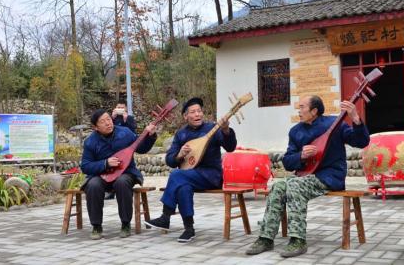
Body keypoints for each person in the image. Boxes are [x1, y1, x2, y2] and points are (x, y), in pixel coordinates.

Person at [245, 95, 370, 258]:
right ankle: (266, 238)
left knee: (295, 186)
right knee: (278, 187)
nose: (299, 111)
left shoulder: (335, 124)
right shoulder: (296, 131)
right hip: (305, 175)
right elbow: (288, 162)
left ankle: (298, 240)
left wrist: (355, 118)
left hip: (330, 176)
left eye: (302, 107)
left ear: (314, 110)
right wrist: (301, 156)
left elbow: (361, 141)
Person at [145, 97, 237, 243]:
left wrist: (226, 130)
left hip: (211, 175)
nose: (197, 115)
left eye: (199, 111)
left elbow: (230, 147)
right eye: (193, 112)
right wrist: (179, 155)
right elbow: (170, 160)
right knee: (183, 187)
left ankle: (165, 216)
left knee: (177, 175)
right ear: (185, 116)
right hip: (189, 175)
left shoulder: (212, 129)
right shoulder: (181, 134)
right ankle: (189, 229)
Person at [80, 109, 157, 240]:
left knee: (122, 182)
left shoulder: (125, 133)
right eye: (103, 122)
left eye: (109, 119)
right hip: (102, 175)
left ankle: (126, 224)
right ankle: (96, 226)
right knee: (93, 185)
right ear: (95, 127)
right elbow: (85, 166)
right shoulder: (90, 142)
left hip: (126, 172)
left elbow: (141, 149)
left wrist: (150, 136)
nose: (108, 123)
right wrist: (105, 163)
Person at [105, 100, 137, 200]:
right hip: (113, 147)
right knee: (112, 169)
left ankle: (126, 188)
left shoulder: (129, 118)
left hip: (126, 147)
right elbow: (107, 130)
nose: (120, 109)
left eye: (122, 108)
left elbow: (133, 130)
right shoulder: (111, 119)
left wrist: (126, 118)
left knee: (125, 168)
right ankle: (111, 191)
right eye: (118, 107)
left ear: (126, 109)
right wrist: (112, 117)